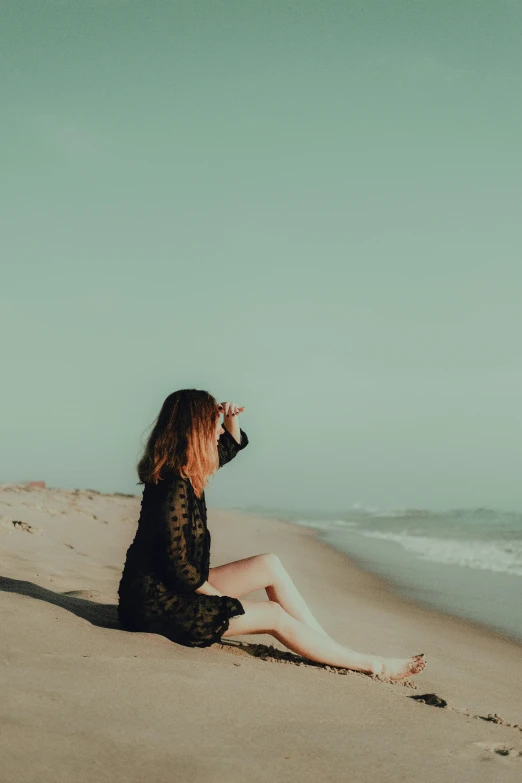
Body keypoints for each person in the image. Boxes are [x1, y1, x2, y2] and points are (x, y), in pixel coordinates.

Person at [117, 389, 426, 680]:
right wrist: (222, 601)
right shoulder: (173, 488)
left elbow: (230, 446)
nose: (219, 432)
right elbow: (181, 570)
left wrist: (230, 418)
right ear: (196, 432)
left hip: (173, 587)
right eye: (214, 426)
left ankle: (329, 648)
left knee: (269, 564)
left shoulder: (187, 471)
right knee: (274, 615)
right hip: (155, 605)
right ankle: (374, 665)